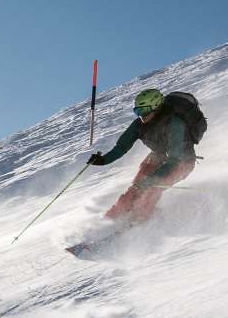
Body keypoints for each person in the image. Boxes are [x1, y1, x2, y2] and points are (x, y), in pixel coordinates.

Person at [86, 87, 205, 227]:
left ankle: (137, 224)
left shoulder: (175, 123)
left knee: (151, 189)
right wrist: (103, 160)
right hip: (158, 157)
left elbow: (174, 159)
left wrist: (153, 179)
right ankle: (109, 222)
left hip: (181, 161)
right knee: (135, 189)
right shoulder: (139, 125)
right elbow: (121, 147)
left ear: (156, 107)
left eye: (143, 111)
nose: (141, 115)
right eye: (137, 111)